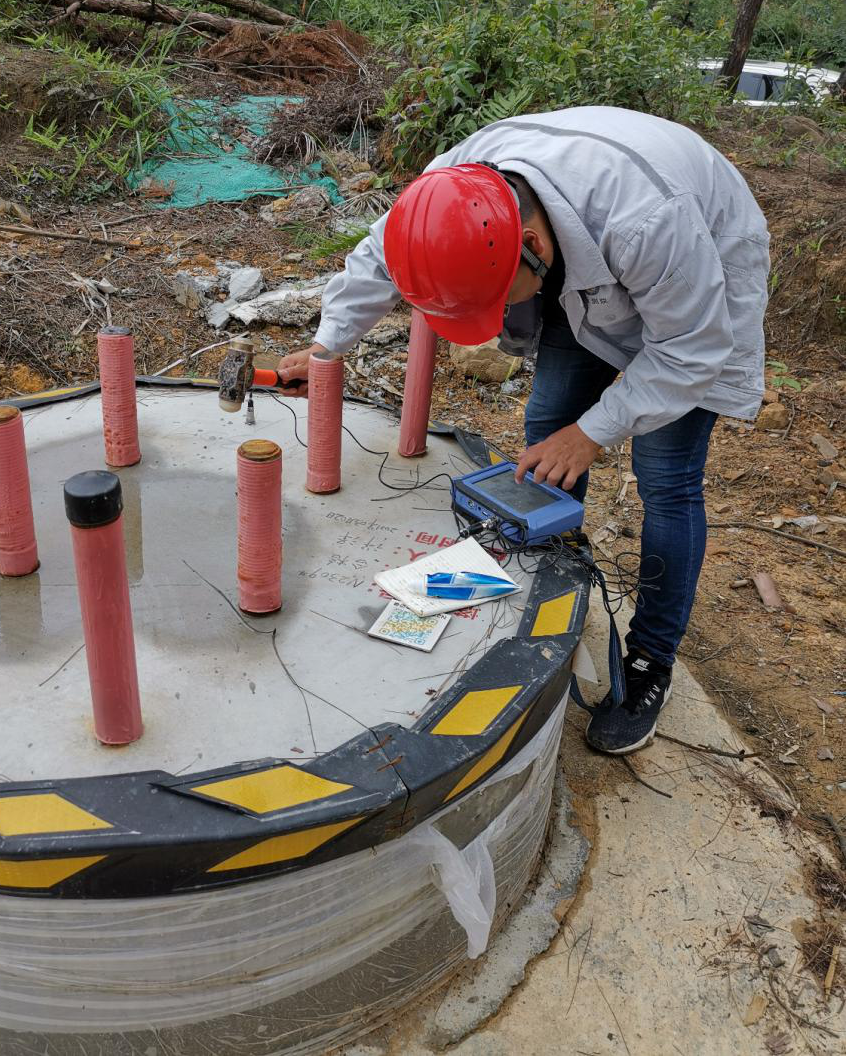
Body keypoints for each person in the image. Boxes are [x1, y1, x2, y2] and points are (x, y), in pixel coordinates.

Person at [278, 106, 770, 754]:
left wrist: (593, 433)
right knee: (545, 428)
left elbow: (689, 350)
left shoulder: (646, 222)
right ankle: (545, 588)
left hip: (697, 278)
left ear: (532, 250)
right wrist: (328, 346)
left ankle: (650, 660)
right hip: (584, 260)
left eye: (497, 299)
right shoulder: (451, 191)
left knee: (665, 478)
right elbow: (380, 258)